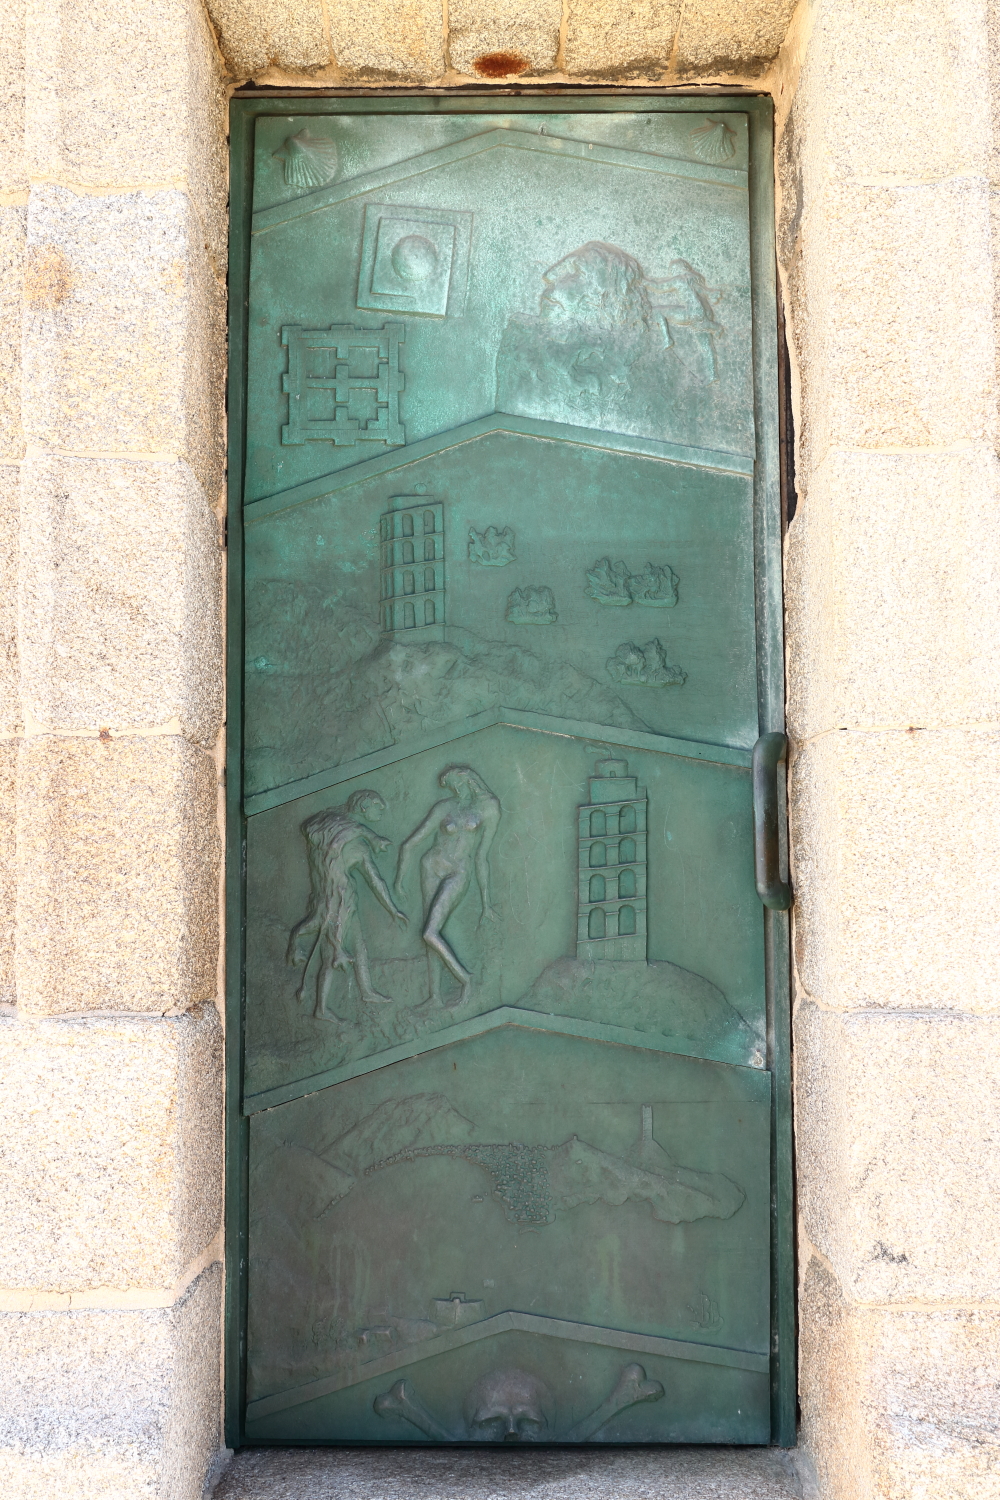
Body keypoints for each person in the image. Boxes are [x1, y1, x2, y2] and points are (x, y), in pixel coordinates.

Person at [287, 790, 407, 1019]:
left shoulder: (325, 831)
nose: (381, 811)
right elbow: (376, 881)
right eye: (378, 806)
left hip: (325, 898)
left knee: (358, 945)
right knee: (331, 954)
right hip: (342, 902)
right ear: (364, 807)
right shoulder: (358, 846)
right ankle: (321, 1008)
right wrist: (393, 909)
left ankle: (366, 991)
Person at [395, 767, 501, 1008]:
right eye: (451, 786)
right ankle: (434, 996)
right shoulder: (443, 807)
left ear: (469, 780)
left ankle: (466, 979)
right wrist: (399, 878)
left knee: (429, 933)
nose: (455, 789)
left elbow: (481, 857)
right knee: (430, 931)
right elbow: (411, 843)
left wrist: (486, 903)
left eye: (457, 783)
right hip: (431, 867)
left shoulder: (489, 807)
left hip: (458, 872)